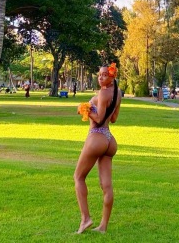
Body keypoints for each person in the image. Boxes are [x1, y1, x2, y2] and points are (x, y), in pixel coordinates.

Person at [74, 63, 121, 234]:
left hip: (97, 136)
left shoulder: (103, 93)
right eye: (99, 74)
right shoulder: (117, 93)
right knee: (106, 186)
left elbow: (100, 119)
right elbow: (113, 118)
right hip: (109, 140)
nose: (100, 77)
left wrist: (84, 110)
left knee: (78, 177)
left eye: (104, 75)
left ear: (112, 77)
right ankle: (103, 226)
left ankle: (86, 219)